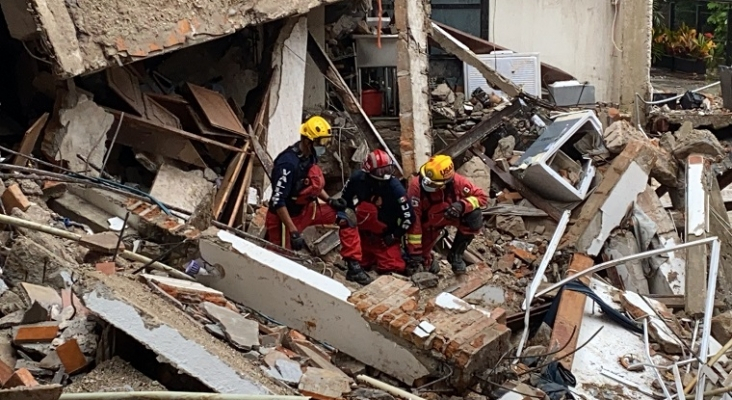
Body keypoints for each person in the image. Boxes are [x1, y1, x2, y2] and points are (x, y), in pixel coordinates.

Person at [265, 116, 372, 285]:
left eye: (326, 141)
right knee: (280, 262)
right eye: (321, 141)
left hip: (308, 209)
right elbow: (279, 201)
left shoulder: (310, 156)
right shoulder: (287, 164)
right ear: (308, 141)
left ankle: (354, 267)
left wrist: (330, 201)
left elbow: (313, 185)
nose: (324, 146)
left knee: (347, 216)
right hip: (285, 220)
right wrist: (293, 232)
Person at [405, 155, 488, 275]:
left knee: (474, 217)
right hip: (428, 224)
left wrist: (462, 205)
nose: (427, 184)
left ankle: (456, 255)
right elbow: (415, 220)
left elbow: (482, 197)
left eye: (433, 184)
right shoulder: (416, 187)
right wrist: (415, 251)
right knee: (418, 258)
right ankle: (427, 261)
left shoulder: (458, 183)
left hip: (451, 216)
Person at [340, 149, 414, 275]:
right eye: (381, 171)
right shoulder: (357, 179)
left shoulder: (396, 189)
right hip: (362, 234)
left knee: (394, 267)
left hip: (384, 236)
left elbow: (409, 217)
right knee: (361, 262)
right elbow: (344, 200)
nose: (385, 174)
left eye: (388, 169)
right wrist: (350, 221)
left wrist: (394, 235)